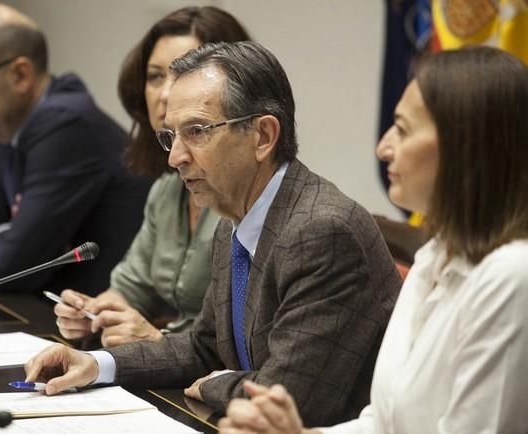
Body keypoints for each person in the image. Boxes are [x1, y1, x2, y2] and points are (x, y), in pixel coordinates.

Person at [24, 41, 402, 427]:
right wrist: (96, 364)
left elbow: (285, 399)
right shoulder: (233, 221)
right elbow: (204, 346)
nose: (175, 157)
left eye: (197, 131)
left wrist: (217, 384)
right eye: (171, 135)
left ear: (263, 136)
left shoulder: (322, 232)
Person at [218, 46, 528, 434]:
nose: (384, 147)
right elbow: (383, 423)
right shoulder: (435, 257)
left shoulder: (513, 278)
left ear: (466, 145)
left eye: (403, 128)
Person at [54, 7, 250, 347]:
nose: (163, 94)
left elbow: (247, 343)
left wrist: (157, 340)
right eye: (155, 76)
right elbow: (130, 290)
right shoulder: (166, 189)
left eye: (182, 74)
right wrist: (93, 313)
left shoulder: (248, 196)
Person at [0, 3, 150, 293]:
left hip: (99, 317)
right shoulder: (8, 123)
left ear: (20, 76)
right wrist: (7, 239)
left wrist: (1, 240)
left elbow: (12, 269)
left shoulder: (67, 125)